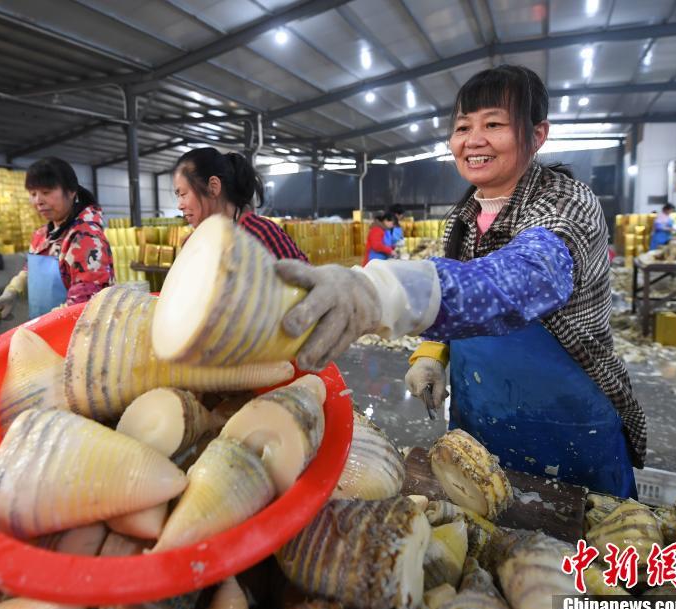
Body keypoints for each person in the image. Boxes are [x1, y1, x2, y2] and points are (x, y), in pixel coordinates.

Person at [274, 64, 645, 497]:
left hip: (567, 423)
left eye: (494, 124)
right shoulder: (465, 216)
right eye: (463, 126)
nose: (473, 140)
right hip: (479, 417)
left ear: (537, 134)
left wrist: (383, 291)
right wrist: (434, 351)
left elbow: (528, 278)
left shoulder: (567, 201)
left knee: (586, 545)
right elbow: (459, 280)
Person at [0, 157, 114, 320]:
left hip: (73, 332)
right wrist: (12, 290)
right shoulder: (42, 235)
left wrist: (41, 326)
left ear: (71, 192)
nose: (38, 201)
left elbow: (85, 303)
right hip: (44, 328)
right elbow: (30, 269)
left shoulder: (86, 239)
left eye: (46, 193)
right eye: (33, 194)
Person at [173, 147, 307, 261]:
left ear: (213, 187)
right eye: (178, 196)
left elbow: (307, 283)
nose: (180, 205)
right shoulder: (192, 244)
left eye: (183, 194)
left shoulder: (260, 234)